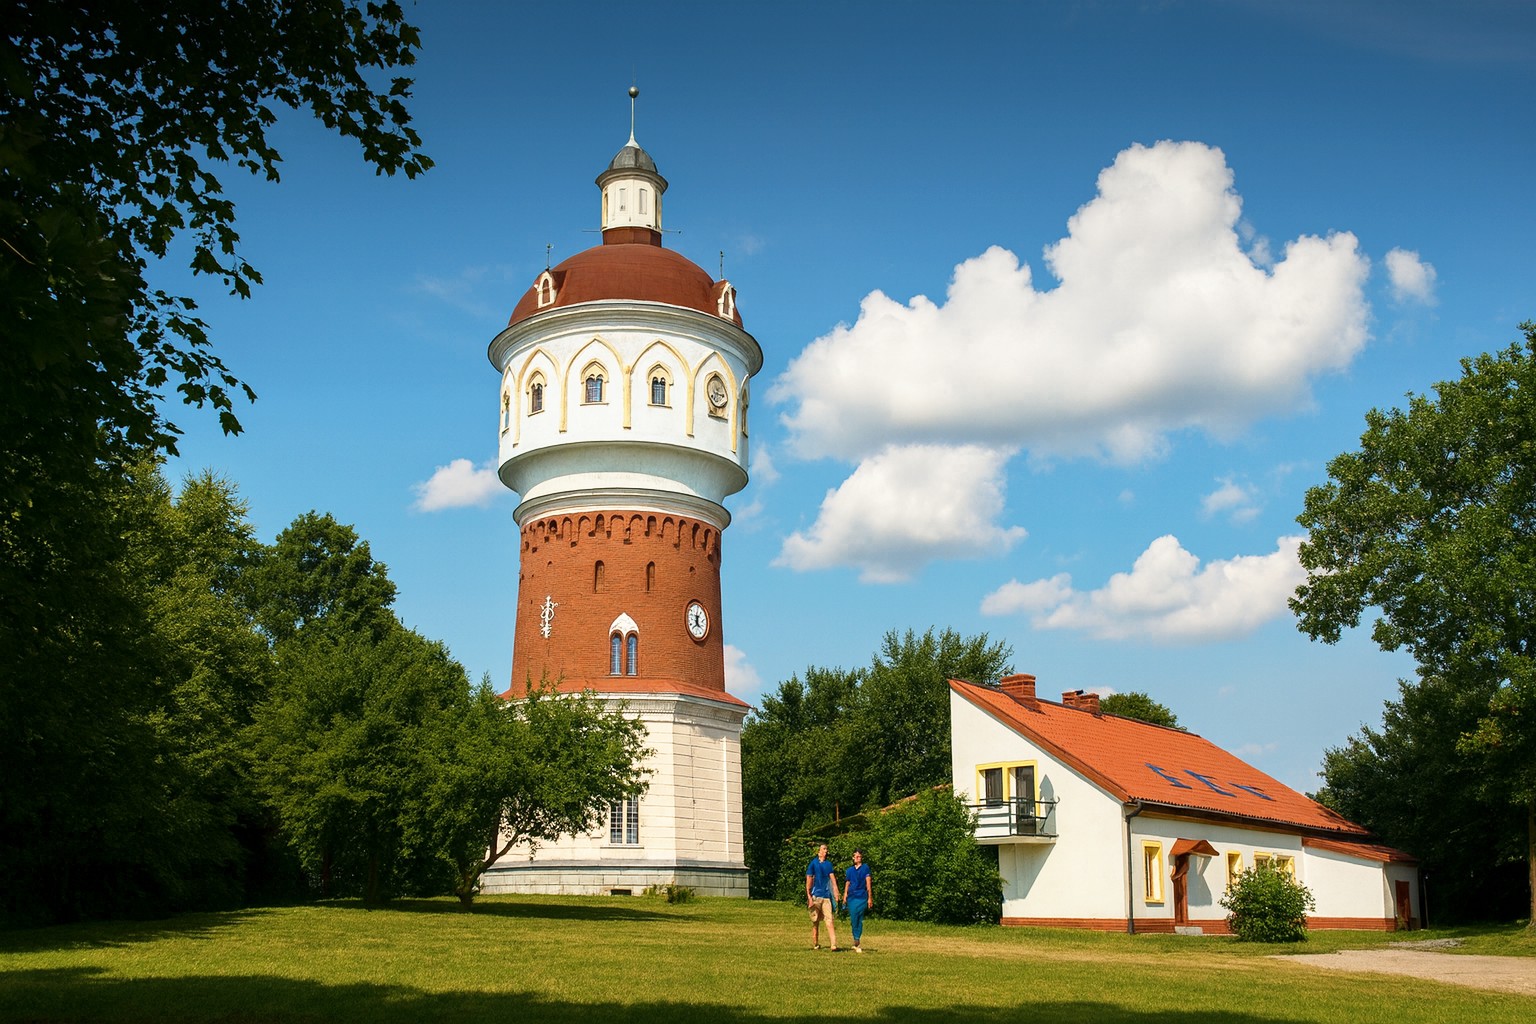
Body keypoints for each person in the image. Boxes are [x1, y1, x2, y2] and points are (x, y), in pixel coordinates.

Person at [804, 842, 841, 950]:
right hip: (815, 896)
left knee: (829, 920)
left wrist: (836, 892)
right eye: (824, 849)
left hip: (826, 897)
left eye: (826, 849)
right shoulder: (813, 864)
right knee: (815, 921)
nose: (826, 851)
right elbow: (809, 880)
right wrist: (809, 897)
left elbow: (833, 879)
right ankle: (816, 943)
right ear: (818, 851)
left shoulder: (828, 864)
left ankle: (833, 944)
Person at [843, 848, 873, 952]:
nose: (857, 858)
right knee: (853, 918)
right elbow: (847, 883)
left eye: (859, 856)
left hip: (861, 896)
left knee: (859, 917)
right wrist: (845, 895)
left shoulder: (865, 868)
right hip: (851, 897)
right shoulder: (849, 870)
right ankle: (856, 940)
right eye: (855, 856)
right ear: (852, 858)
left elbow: (868, 883)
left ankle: (857, 940)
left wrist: (870, 897)